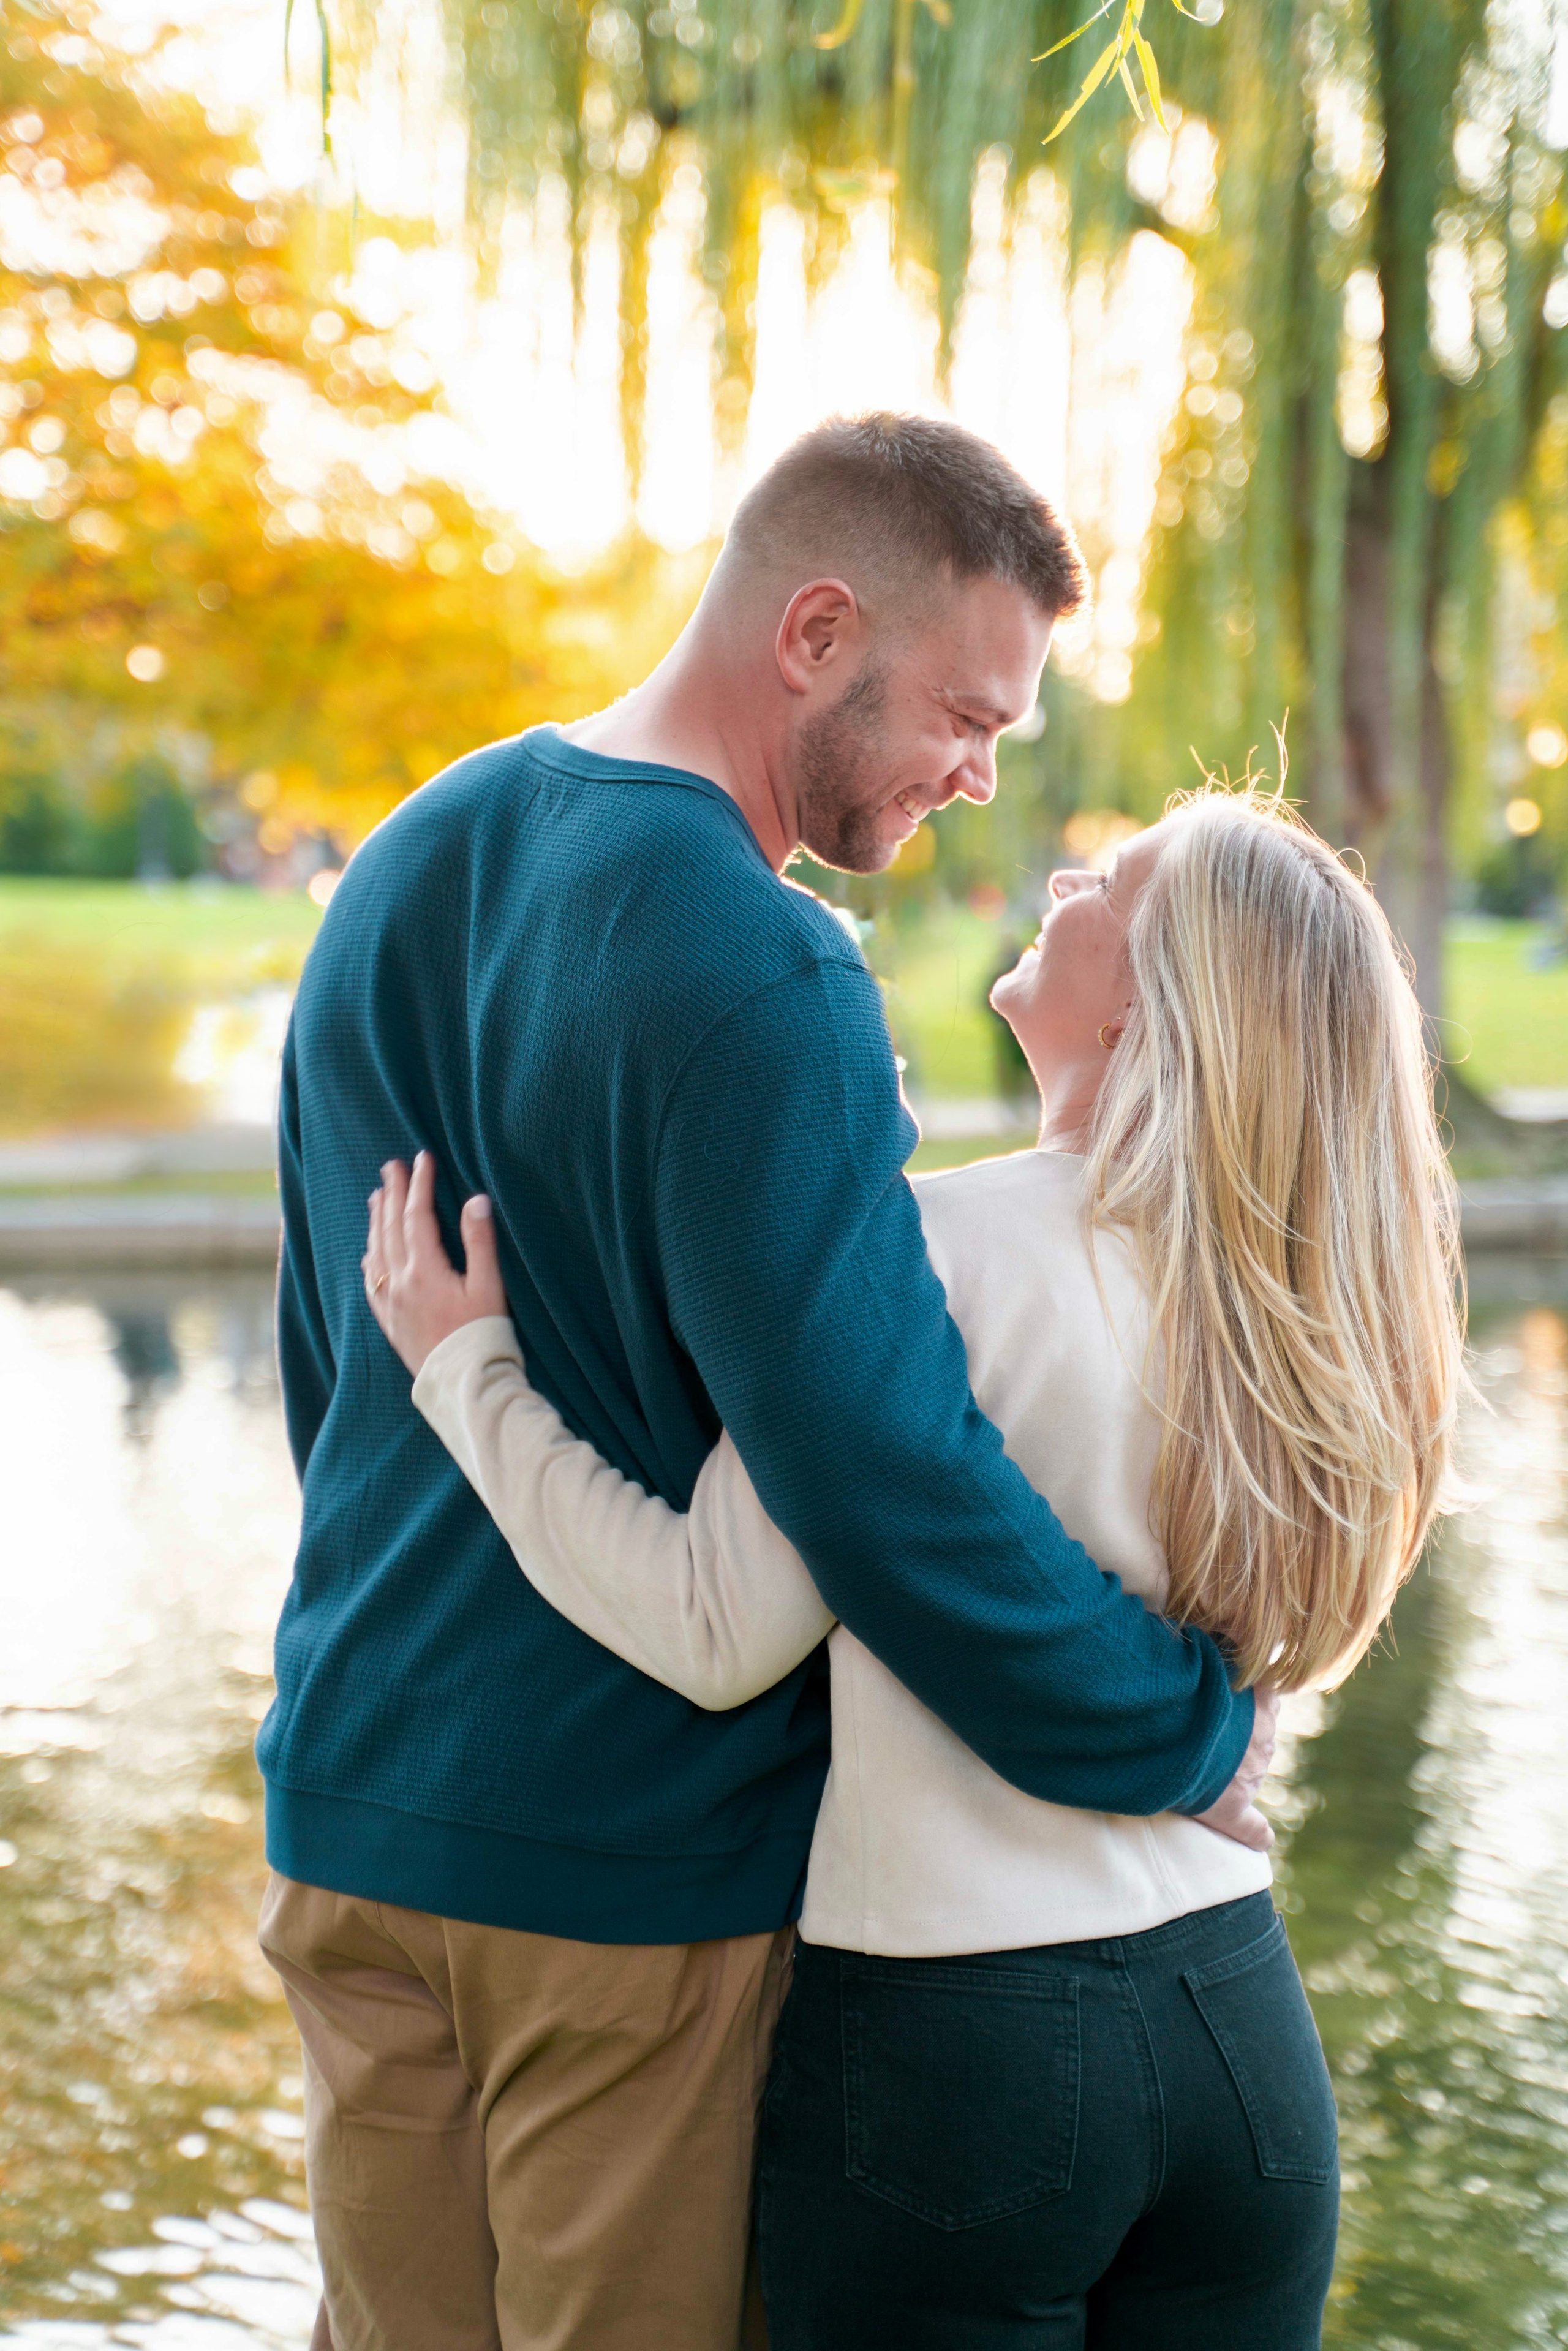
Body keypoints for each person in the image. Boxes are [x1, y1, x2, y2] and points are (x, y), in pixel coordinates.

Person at [260, 412, 1266, 2351]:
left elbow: (336, 1352)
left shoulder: (409, 851)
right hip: (622, 1879)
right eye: (964, 715)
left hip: (352, 1812)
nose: (981, 779)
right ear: (816, 631)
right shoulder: (774, 969)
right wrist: (1176, 1727)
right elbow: (888, 1479)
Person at [361, 785, 1466, 2349]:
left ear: (1155, 998)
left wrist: (470, 1374)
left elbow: (709, 1620)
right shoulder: (1305, 1309)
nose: (1067, 875)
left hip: (963, 2055)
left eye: (1114, 878)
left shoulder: (926, 1254)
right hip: (1242, 2042)